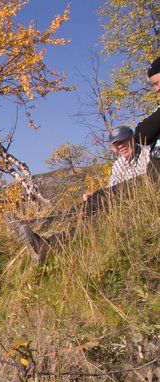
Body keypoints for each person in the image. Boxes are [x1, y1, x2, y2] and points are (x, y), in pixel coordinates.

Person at [10, 56, 160, 261]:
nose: (156, 90)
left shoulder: (142, 153)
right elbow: (143, 133)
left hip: (150, 187)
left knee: (102, 206)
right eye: (154, 85)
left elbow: (143, 133)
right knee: (99, 203)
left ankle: (47, 240)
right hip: (148, 184)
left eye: (158, 83)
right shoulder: (120, 164)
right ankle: (43, 234)